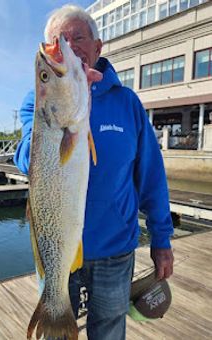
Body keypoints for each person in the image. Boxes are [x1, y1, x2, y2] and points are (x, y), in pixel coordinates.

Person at [14, 4, 174, 340]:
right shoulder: (36, 102)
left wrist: (162, 240)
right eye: (59, 42)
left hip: (115, 250)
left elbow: (152, 178)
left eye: (78, 38)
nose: (69, 47)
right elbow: (27, 161)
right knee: (56, 334)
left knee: (110, 332)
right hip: (56, 249)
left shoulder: (127, 103)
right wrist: (52, 115)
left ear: (98, 47)